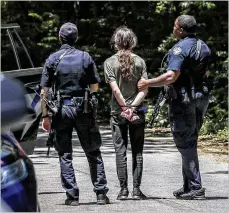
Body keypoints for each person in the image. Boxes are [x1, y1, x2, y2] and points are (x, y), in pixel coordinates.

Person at [138, 15, 211, 200]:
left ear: (180, 29)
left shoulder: (180, 48)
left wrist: (147, 82)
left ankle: (196, 187)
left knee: (184, 141)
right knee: (191, 140)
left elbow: (172, 76)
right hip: (201, 97)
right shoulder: (204, 46)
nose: (173, 29)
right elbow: (207, 73)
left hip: (184, 99)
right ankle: (187, 186)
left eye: (174, 26)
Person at [40, 22, 109, 206]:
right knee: (93, 150)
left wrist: (45, 116)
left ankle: (72, 196)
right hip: (83, 108)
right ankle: (101, 193)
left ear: (59, 37)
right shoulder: (85, 57)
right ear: (76, 38)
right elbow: (95, 87)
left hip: (61, 110)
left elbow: (44, 92)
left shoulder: (52, 59)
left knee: (64, 153)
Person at [104, 26, 148, 200]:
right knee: (137, 151)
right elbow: (144, 90)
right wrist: (133, 108)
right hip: (137, 113)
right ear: (132, 41)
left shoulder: (109, 62)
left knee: (120, 152)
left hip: (118, 113)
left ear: (116, 42)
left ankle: (123, 191)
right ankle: (137, 190)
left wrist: (124, 108)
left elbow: (115, 90)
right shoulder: (140, 62)